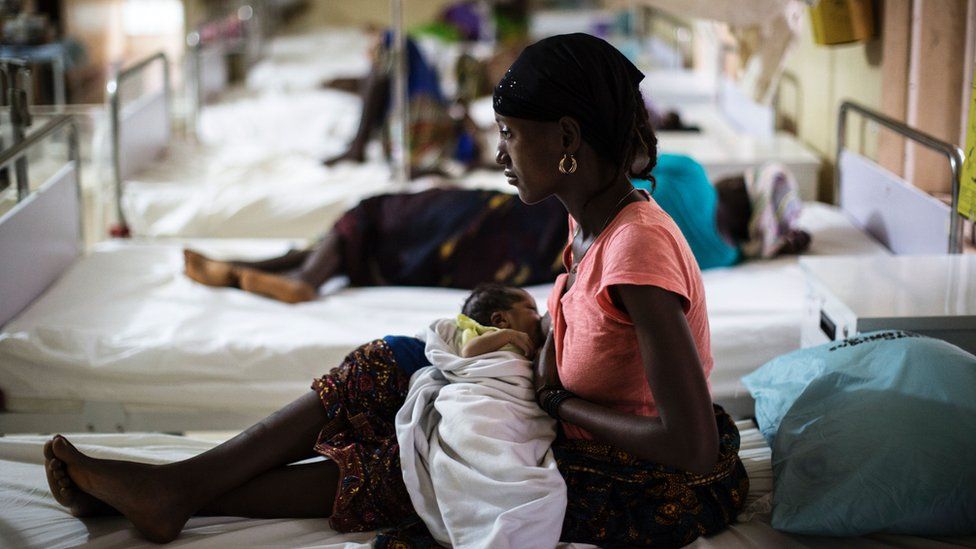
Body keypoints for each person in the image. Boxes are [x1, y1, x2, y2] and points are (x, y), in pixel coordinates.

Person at [43, 33, 747, 546]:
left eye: (509, 134)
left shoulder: (638, 246)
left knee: (417, 454)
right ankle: (181, 483)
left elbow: (689, 445)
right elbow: (581, 333)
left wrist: (557, 400)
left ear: (567, 137)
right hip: (569, 419)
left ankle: (174, 493)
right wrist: (520, 362)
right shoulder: (586, 221)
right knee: (390, 361)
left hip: (640, 480)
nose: (499, 153)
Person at [183, 187, 568, 303]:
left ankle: (303, 276)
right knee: (360, 233)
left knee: (373, 212)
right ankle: (245, 268)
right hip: (523, 242)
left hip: (516, 224)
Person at [322, 30, 482, 177]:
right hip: (425, 130)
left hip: (415, 126)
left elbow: (376, 80)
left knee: (386, 56)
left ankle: (357, 147)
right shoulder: (417, 72)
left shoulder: (395, 41)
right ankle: (361, 148)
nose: (367, 54)